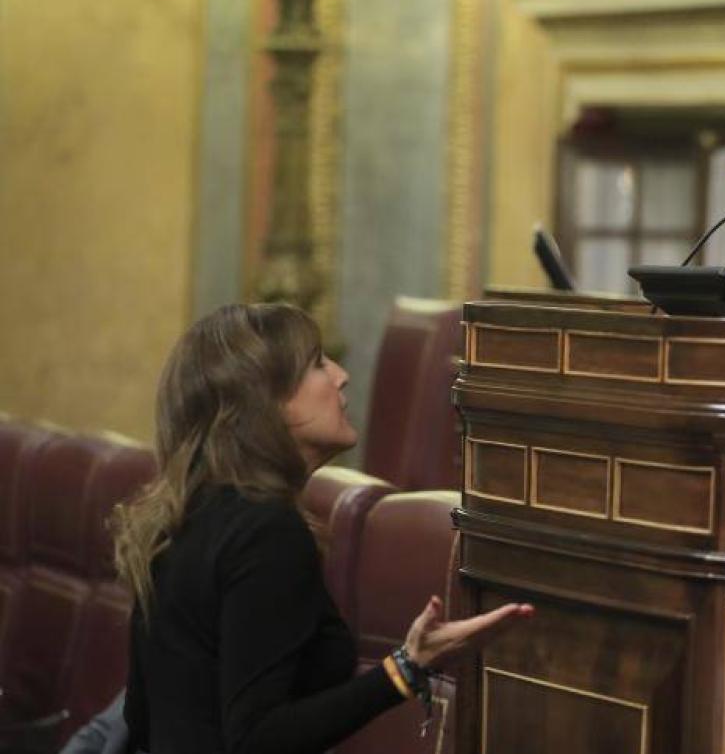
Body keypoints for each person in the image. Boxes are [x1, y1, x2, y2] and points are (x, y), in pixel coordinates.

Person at [111, 303, 533, 753]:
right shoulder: (266, 531)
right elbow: (257, 737)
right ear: (265, 403)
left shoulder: (180, 516)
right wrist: (405, 670)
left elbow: (142, 717)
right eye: (316, 364)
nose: (341, 375)